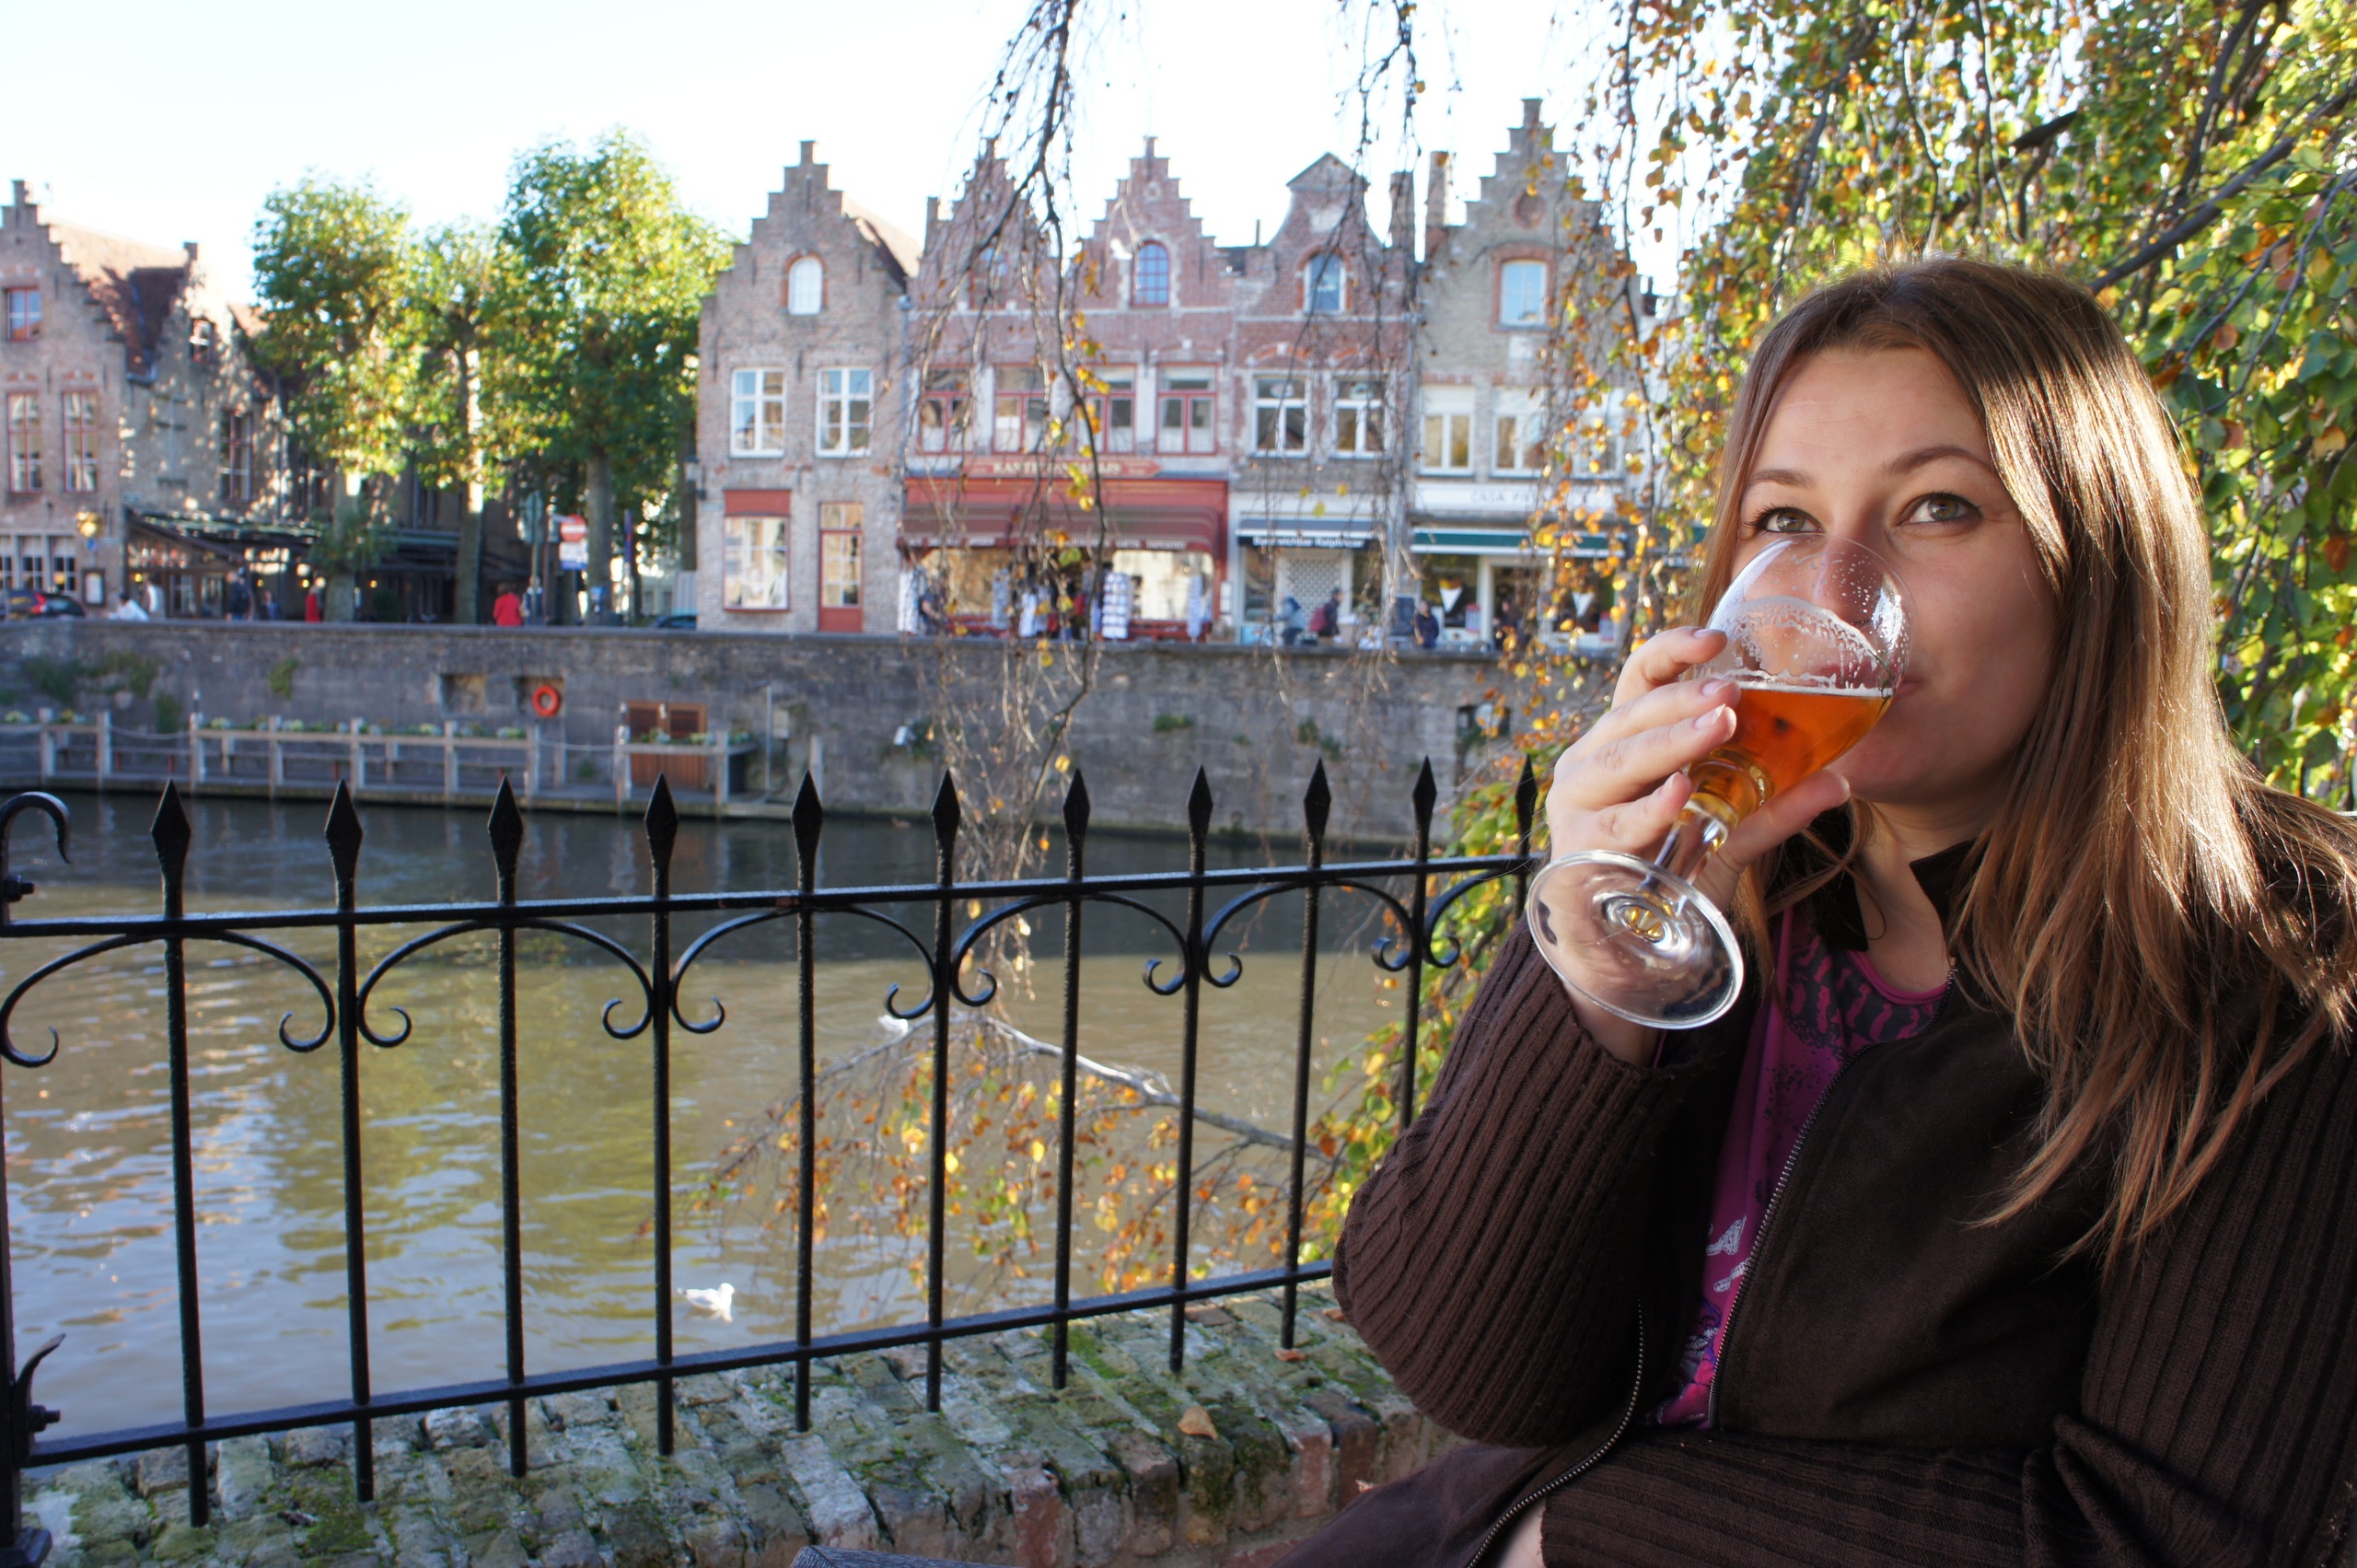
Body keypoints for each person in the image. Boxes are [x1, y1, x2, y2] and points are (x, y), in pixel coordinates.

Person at [1283, 260, 2357, 1567]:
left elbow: (2152, 1543)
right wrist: (1599, 970)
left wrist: (1584, 1533)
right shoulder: (1739, 888)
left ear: (2097, 561)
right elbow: (1467, 1369)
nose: (1835, 592)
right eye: (1784, 519)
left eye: (1939, 508)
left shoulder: (2281, 970)